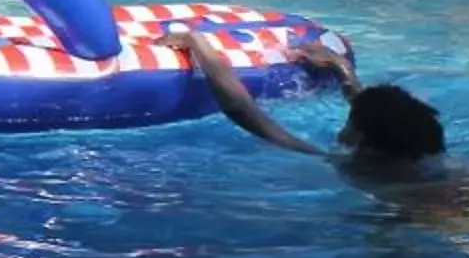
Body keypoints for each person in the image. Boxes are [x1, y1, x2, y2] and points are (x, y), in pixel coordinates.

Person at [186, 31, 447, 182]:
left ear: (360, 137)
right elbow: (379, 114)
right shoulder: (428, 157)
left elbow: (242, 110)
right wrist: (337, 65)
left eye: (349, 120)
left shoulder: (354, 168)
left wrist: (198, 42)